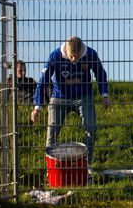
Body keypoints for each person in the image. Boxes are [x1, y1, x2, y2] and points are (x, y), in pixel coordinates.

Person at [31, 36, 111, 169]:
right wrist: (37, 107)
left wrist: (105, 95)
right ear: (66, 51)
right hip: (59, 96)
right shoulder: (55, 56)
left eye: (77, 56)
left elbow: (100, 73)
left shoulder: (90, 54)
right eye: (71, 56)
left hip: (83, 95)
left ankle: (87, 163)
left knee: (91, 127)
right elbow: (43, 81)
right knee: (52, 130)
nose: (74, 59)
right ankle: (51, 167)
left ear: (82, 51)